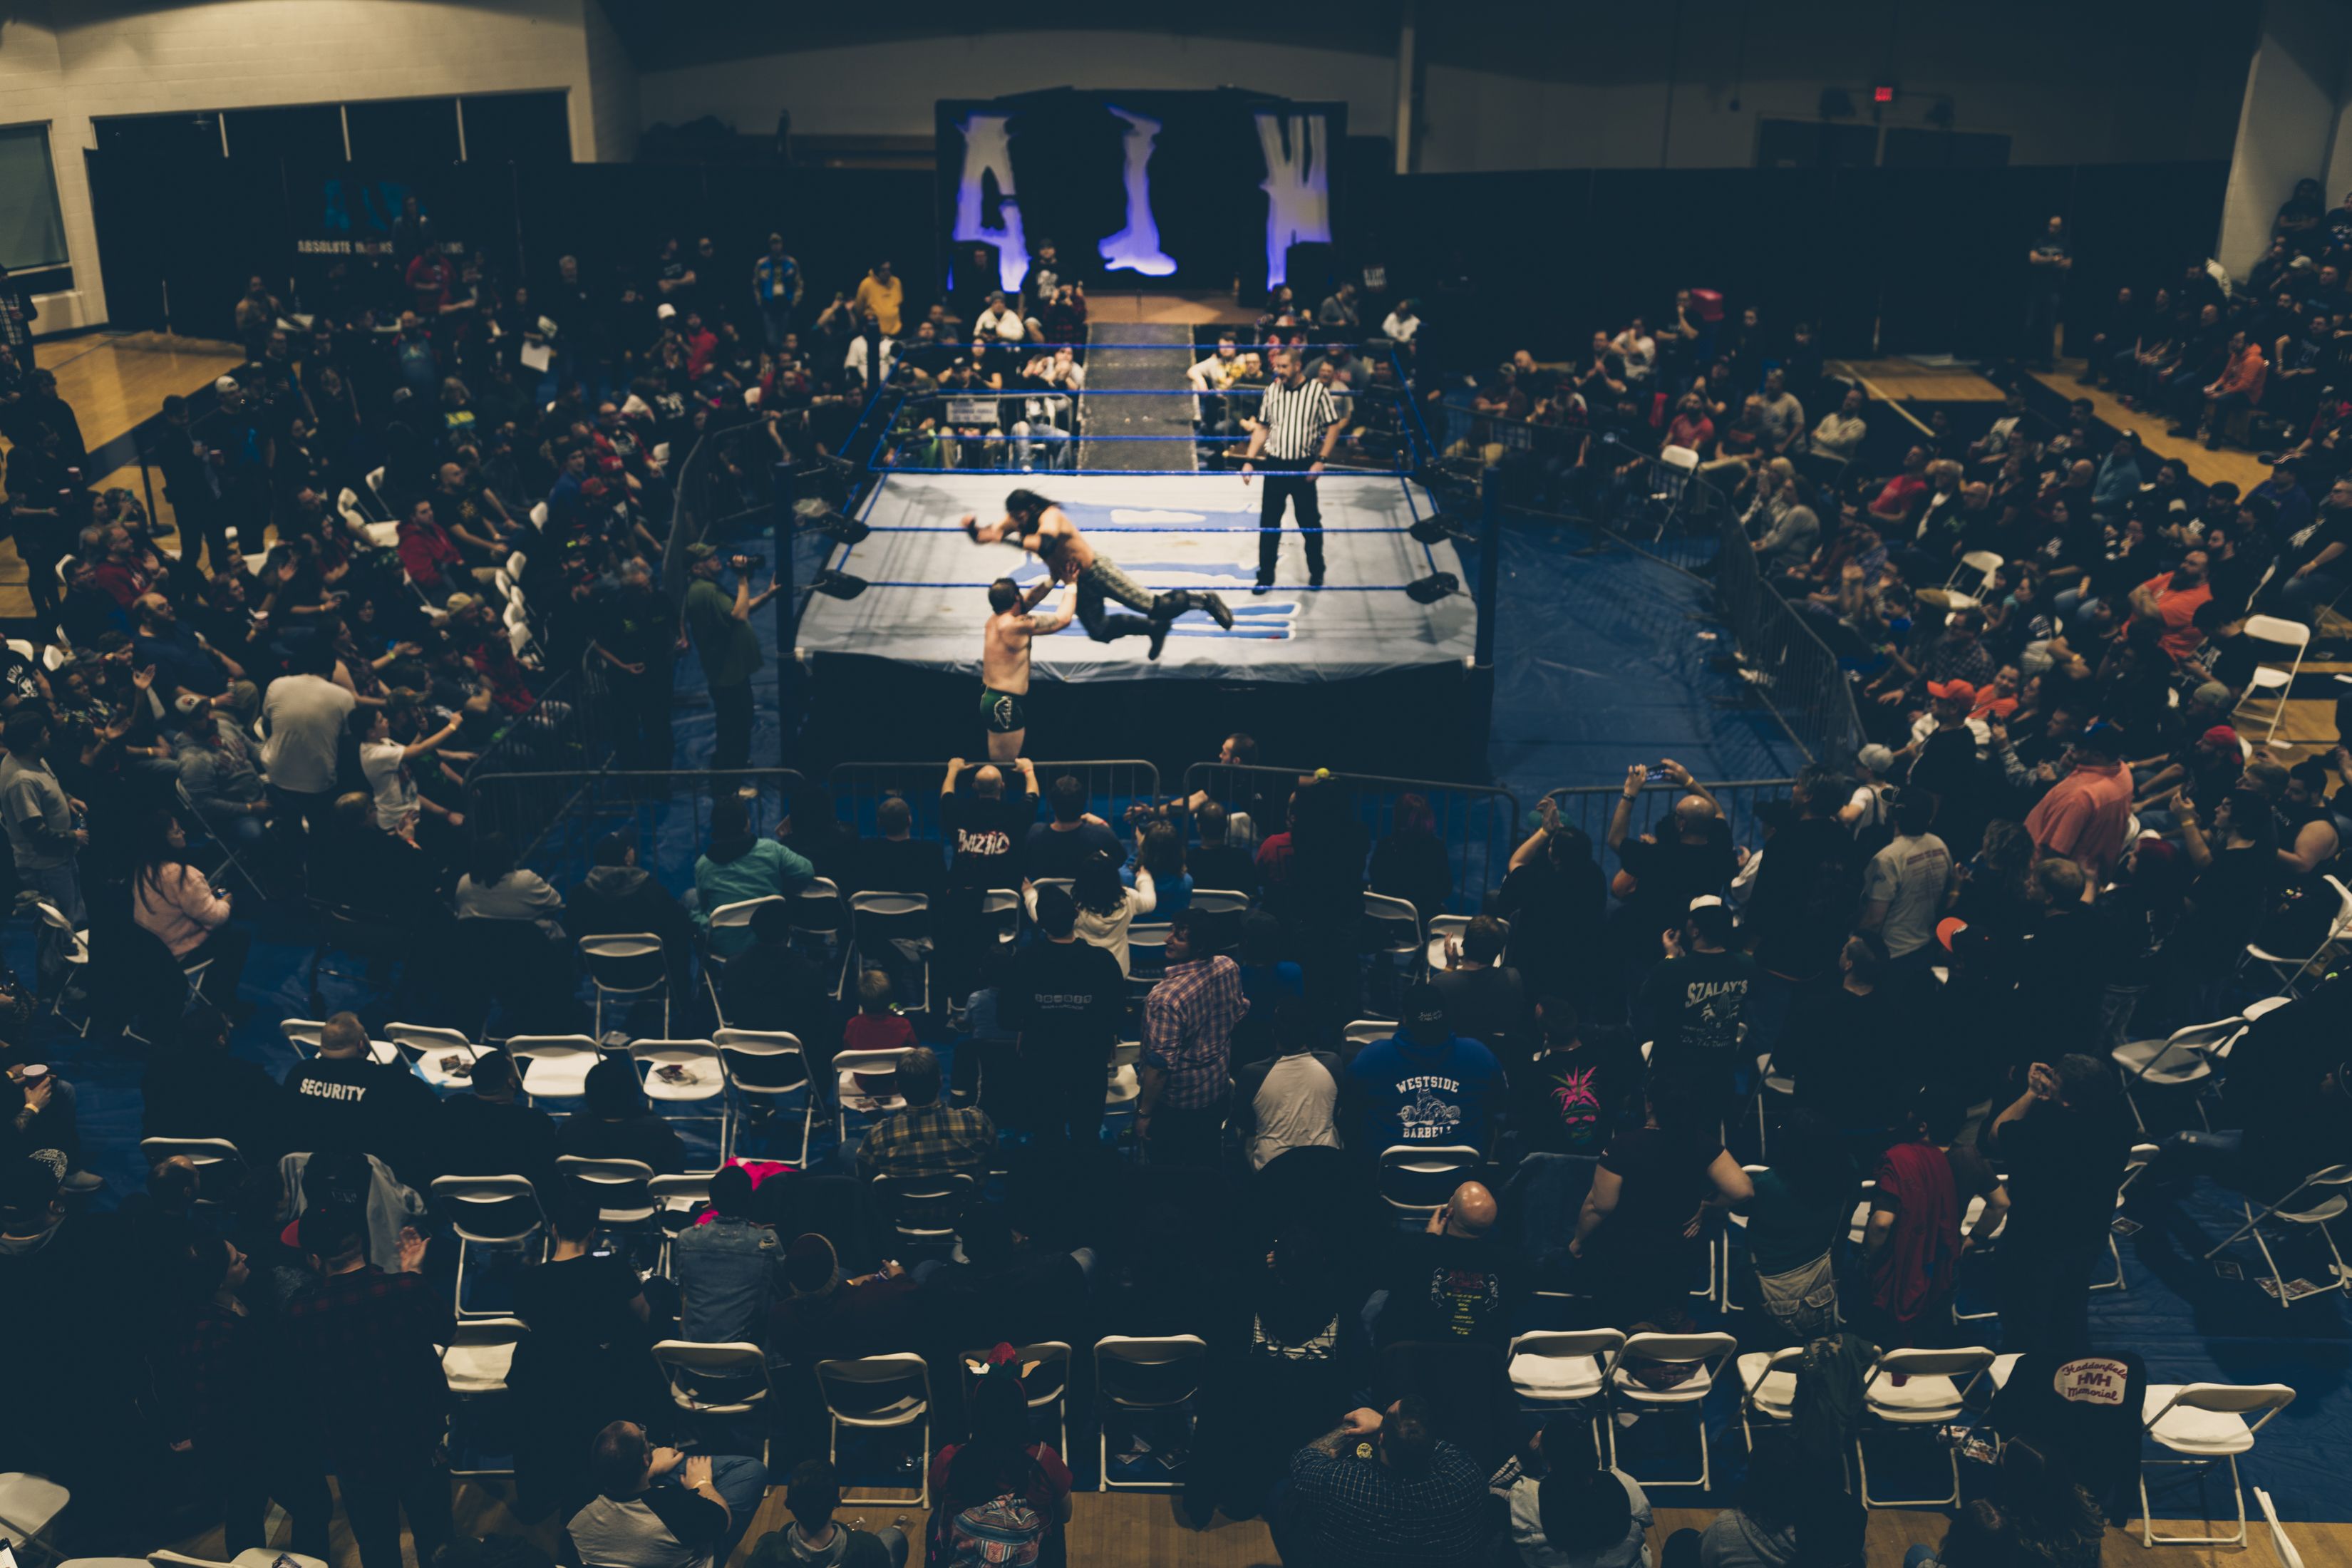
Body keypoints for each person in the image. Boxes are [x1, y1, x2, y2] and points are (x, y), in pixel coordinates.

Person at [283, 1206, 453, 1568]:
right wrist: (413, 1274)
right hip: (419, 1444)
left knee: (376, 1550)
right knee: (438, 1545)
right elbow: (445, 1331)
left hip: (354, 1454)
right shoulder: (406, 1289)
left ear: (315, 1259)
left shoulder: (301, 1311)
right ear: (362, 1242)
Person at [1570, 1073, 1753, 1329]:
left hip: (1625, 1255)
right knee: (1662, 1331)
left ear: (1649, 1104)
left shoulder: (1623, 1145)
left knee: (1615, 1324)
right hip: (1678, 1257)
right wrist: (1707, 1205)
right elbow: (1743, 1191)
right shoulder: (1703, 1143)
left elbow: (1599, 1206)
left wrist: (1578, 1241)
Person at [965, 489, 1233, 659]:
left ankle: (1205, 600)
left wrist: (1003, 538)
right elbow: (986, 535)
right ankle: (1155, 629)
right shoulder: (1016, 518)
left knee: (1156, 606)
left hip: (1097, 572)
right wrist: (974, 529)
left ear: (1031, 510)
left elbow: (1045, 544)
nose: (1017, 522)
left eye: (1020, 517)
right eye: (1014, 517)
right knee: (1099, 630)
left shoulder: (1051, 516)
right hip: (1076, 581)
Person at [1989, 1055, 2132, 1355]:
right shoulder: (2121, 1125)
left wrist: (2030, 1094)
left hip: (2033, 1244)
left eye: (2055, 1081)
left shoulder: (2041, 1134)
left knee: (2024, 1326)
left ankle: (2024, 1389)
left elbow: (1996, 1135)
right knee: (2069, 1315)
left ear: (2067, 1102)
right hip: (2088, 1239)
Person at [1861, 1091, 2007, 1348]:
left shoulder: (1900, 1158)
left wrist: (1870, 1258)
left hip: (1899, 1264)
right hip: (1944, 1262)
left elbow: (1882, 1223)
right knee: (1930, 1340)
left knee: (1887, 1344)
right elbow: (2001, 1204)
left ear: (1922, 1125)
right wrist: (1972, 1240)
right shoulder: (1971, 1159)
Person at [1281, 1396, 1486, 1568]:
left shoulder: (1345, 1483)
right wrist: (1386, 1426)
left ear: (1381, 1438)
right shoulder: (1466, 1474)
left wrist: (1349, 1427)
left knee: (1280, 1494)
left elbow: (1303, 1459)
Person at [1003, 883, 1125, 1149]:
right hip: (1089, 1058)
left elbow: (1008, 1015)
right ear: (1075, 916)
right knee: (1087, 1132)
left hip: (1041, 1056)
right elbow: (1117, 1011)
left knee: (1048, 1133)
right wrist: (1108, 1034)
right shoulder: (1102, 961)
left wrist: (1029, 1025)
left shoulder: (1024, 961)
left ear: (1041, 923)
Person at [565, 1418, 768, 1568]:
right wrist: (701, 1482)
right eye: (643, 1435)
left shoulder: (574, 1504)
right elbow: (721, 1520)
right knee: (751, 1470)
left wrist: (652, 1471)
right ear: (646, 1459)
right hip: (700, 1534)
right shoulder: (675, 1507)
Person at [927, 1363, 1073, 1567]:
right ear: (1022, 1412)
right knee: (1055, 1525)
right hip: (1027, 1553)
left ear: (976, 1413)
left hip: (966, 1554)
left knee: (935, 1520)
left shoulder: (949, 1457)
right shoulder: (1045, 1459)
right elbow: (1065, 1515)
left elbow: (936, 1503)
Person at [1346, 981, 1509, 1155]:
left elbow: (1348, 1115)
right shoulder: (1480, 1055)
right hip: (1465, 1176)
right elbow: (1501, 1107)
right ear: (1446, 1017)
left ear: (1404, 1019)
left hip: (1388, 1177)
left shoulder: (1371, 1058)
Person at [1138, 910, 1247, 1166]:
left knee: (1171, 1173)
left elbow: (1159, 1069)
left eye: (1179, 937)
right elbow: (1238, 1012)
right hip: (1217, 1090)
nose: (1167, 939)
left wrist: (1144, 1114)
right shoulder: (1227, 966)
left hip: (1177, 1106)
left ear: (1199, 947)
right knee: (1206, 1163)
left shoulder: (1166, 999)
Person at [1240, 349, 1348, 592]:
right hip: (1275, 466)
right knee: (1269, 523)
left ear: (1298, 366)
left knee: (1309, 523)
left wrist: (1321, 459)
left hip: (1303, 467)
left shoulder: (1317, 391)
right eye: (1277, 366)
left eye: (1284, 367)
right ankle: (1265, 575)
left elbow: (1333, 427)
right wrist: (1249, 459)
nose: (1279, 371)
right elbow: (1262, 427)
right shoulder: (1272, 390)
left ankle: (1317, 571)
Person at [282, 1011, 435, 1177]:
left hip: (310, 1177)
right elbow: (432, 1113)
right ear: (362, 1044)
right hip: (374, 1183)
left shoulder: (298, 1074)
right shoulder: (390, 1080)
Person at [1490, 1415, 1654, 1568]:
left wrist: (1525, 1454)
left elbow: (1487, 1489)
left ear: (1546, 1458)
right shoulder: (1626, 1484)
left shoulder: (1525, 1498)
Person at [1, 706, 86, 995]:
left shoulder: (32, 759)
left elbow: (51, 788)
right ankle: (57, 989)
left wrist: (68, 798)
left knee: (68, 919)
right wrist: (73, 836)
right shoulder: (21, 779)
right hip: (45, 866)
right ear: (34, 741)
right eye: (45, 733)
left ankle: (67, 978)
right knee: (56, 927)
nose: (51, 735)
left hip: (58, 861)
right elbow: (36, 834)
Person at [1635, 902, 1756, 1098]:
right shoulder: (1747, 965)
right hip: (1719, 1072)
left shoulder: (1671, 969)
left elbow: (1645, 998)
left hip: (1674, 1073)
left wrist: (1671, 957)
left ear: (1694, 930)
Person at [1377, 1178, 1518, 1347]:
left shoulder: (1410, 1250)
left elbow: (1382, 1276)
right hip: (1479, 1367)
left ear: (1449, 1213)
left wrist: (1429, 1239)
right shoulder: (1510, 1263)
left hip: (1413, 1364)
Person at [130, 809, 251, 1005]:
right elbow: (215, 918)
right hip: (176, 951)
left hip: (149, 949)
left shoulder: (143, 868)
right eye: (177, 832)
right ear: (163, 841)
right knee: (238, 935)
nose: (183, 833)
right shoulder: (183, 876)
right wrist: (225, 902)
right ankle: (220, 1002)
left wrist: (203, 896)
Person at [681, 541, 778, 772]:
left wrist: (768, 594)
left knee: (738, 725)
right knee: (733, 729)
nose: (716, 559)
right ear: (696, 568)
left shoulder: (708, 588)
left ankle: (734, 767)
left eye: (715, 555)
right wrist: (742, 578)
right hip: (726, 675)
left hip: (731, 673)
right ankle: (728, 778)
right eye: (709, 559)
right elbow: (740, 614)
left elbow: (738, 606)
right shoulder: (705, 590)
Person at [567, 832, 698, 1000]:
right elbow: (680, 926)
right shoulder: (653, 892)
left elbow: (570, 934)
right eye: (630, 849)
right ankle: (682, 999)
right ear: (627, 858)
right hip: (648, 970)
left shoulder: (579, 896)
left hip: (602, 972)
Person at [853, 1043, 996, 1189]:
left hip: (901, 1210)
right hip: (964, 1208)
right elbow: (992, 1159)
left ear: (899, 1087)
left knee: (849, 1147)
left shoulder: (877, 1136)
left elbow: (865, 1178)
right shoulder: (977, 1122)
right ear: (940, 1082)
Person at [259, 639, 359, 846]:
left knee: (291, 827)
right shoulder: (343, 697)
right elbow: (348, 746)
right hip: (319, 784)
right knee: (322, 830)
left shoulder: (276, 685)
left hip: (276, 775)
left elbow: (267, 726)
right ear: (331, 668)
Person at [672, 1162, 782, 1346]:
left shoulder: (686, 1239)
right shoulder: (766, 1242)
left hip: (692, 1358)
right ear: (749, 1200)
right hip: (745, 1362)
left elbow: (684, 1288)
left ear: (711, 1201)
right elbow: (783, 1287)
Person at [694, 797, 813, 957]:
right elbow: (807, 871)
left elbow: (704, 905)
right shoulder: (771, 849)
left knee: (690, 899)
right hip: (772, 937)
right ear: (747, 823)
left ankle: (706, 974)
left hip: (725, 947)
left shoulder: (703, 865)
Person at [1235, 997, 1341, 1170]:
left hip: (1272, 1170)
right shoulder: (1333, 1064)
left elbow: (1244, 1122)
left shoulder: (1252, 1074)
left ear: (1273, 1032)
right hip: (1325, 1164)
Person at [977, 574, 1073, 760]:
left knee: (1002, 763)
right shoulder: (1014, 626)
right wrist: (1071, 584)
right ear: (1016, 598)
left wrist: (1054, 578)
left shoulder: (995, 620)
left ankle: (993, 787)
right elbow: (1063, 619)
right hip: (1004, 702)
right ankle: (992, 789)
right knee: (1004, 765)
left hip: (995, 698)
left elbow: (1029, 600)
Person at [1860, 788, 1954, 975]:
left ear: (1896, 816)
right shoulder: (1939, 845)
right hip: (1925, 947)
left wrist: (1855, 941)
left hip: (1892, 954)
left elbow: (1874, 920)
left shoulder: (1887, 859)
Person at [2023, 723, 2133, 879]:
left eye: (2080, 747)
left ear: (2098, 756)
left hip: (2039, 871)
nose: (2072, 749)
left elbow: (2053, 854)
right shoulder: (2123, 771)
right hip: (2092, 865)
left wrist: (2031, 880)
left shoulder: (2080, 797)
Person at [751, 1458, 908, 1568]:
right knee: (892, 1535)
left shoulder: (767, 1548)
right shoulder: (869, 1546)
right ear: (838, 1501)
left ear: (787, 1503)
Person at [1033, 847, 1154, 974]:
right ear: (1114, 878)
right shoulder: (1129, 898)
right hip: (1117, 970)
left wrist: (1030, 894)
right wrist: (1144, 878)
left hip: (1083, 968)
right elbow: (1149, 903)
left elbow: (1045, 915)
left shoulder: (1075, 905)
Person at [558, 1056, 687, 1173]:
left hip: (587, 1196)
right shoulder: (657, 1130)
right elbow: (674, 1171)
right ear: (632, 1094)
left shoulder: (571, 1128)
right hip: (641, 1197)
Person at [1430, 914, 1529, 1053]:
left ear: (1463, 944)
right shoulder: (1513, 979)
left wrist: (1450, 966)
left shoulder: (1440, 984)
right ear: (1497, 952)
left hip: (1450, 1054)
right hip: (1492, 1053)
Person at [455, 832, 566, 940]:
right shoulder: (526, 881)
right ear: (509, 857)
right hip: (533, 951)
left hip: (484, 951)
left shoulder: (465, 882)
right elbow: (555, 902)